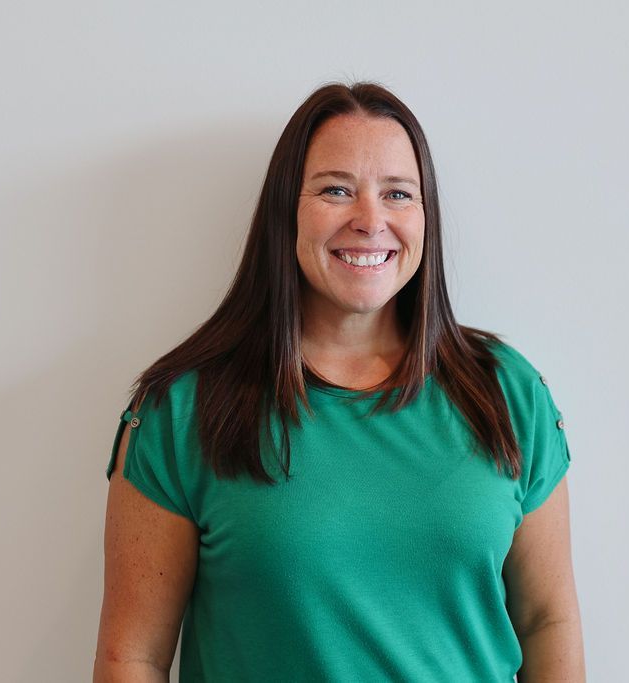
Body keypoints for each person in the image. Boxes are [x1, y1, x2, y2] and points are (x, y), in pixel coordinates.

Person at [93, 80, 585, 682]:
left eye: (398, 194)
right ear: (287, 211)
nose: (370, 220)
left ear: (424, 215)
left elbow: (547, 622)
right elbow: (132, 658)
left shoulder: (507, 394)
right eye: (336, 190)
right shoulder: (184, 409)